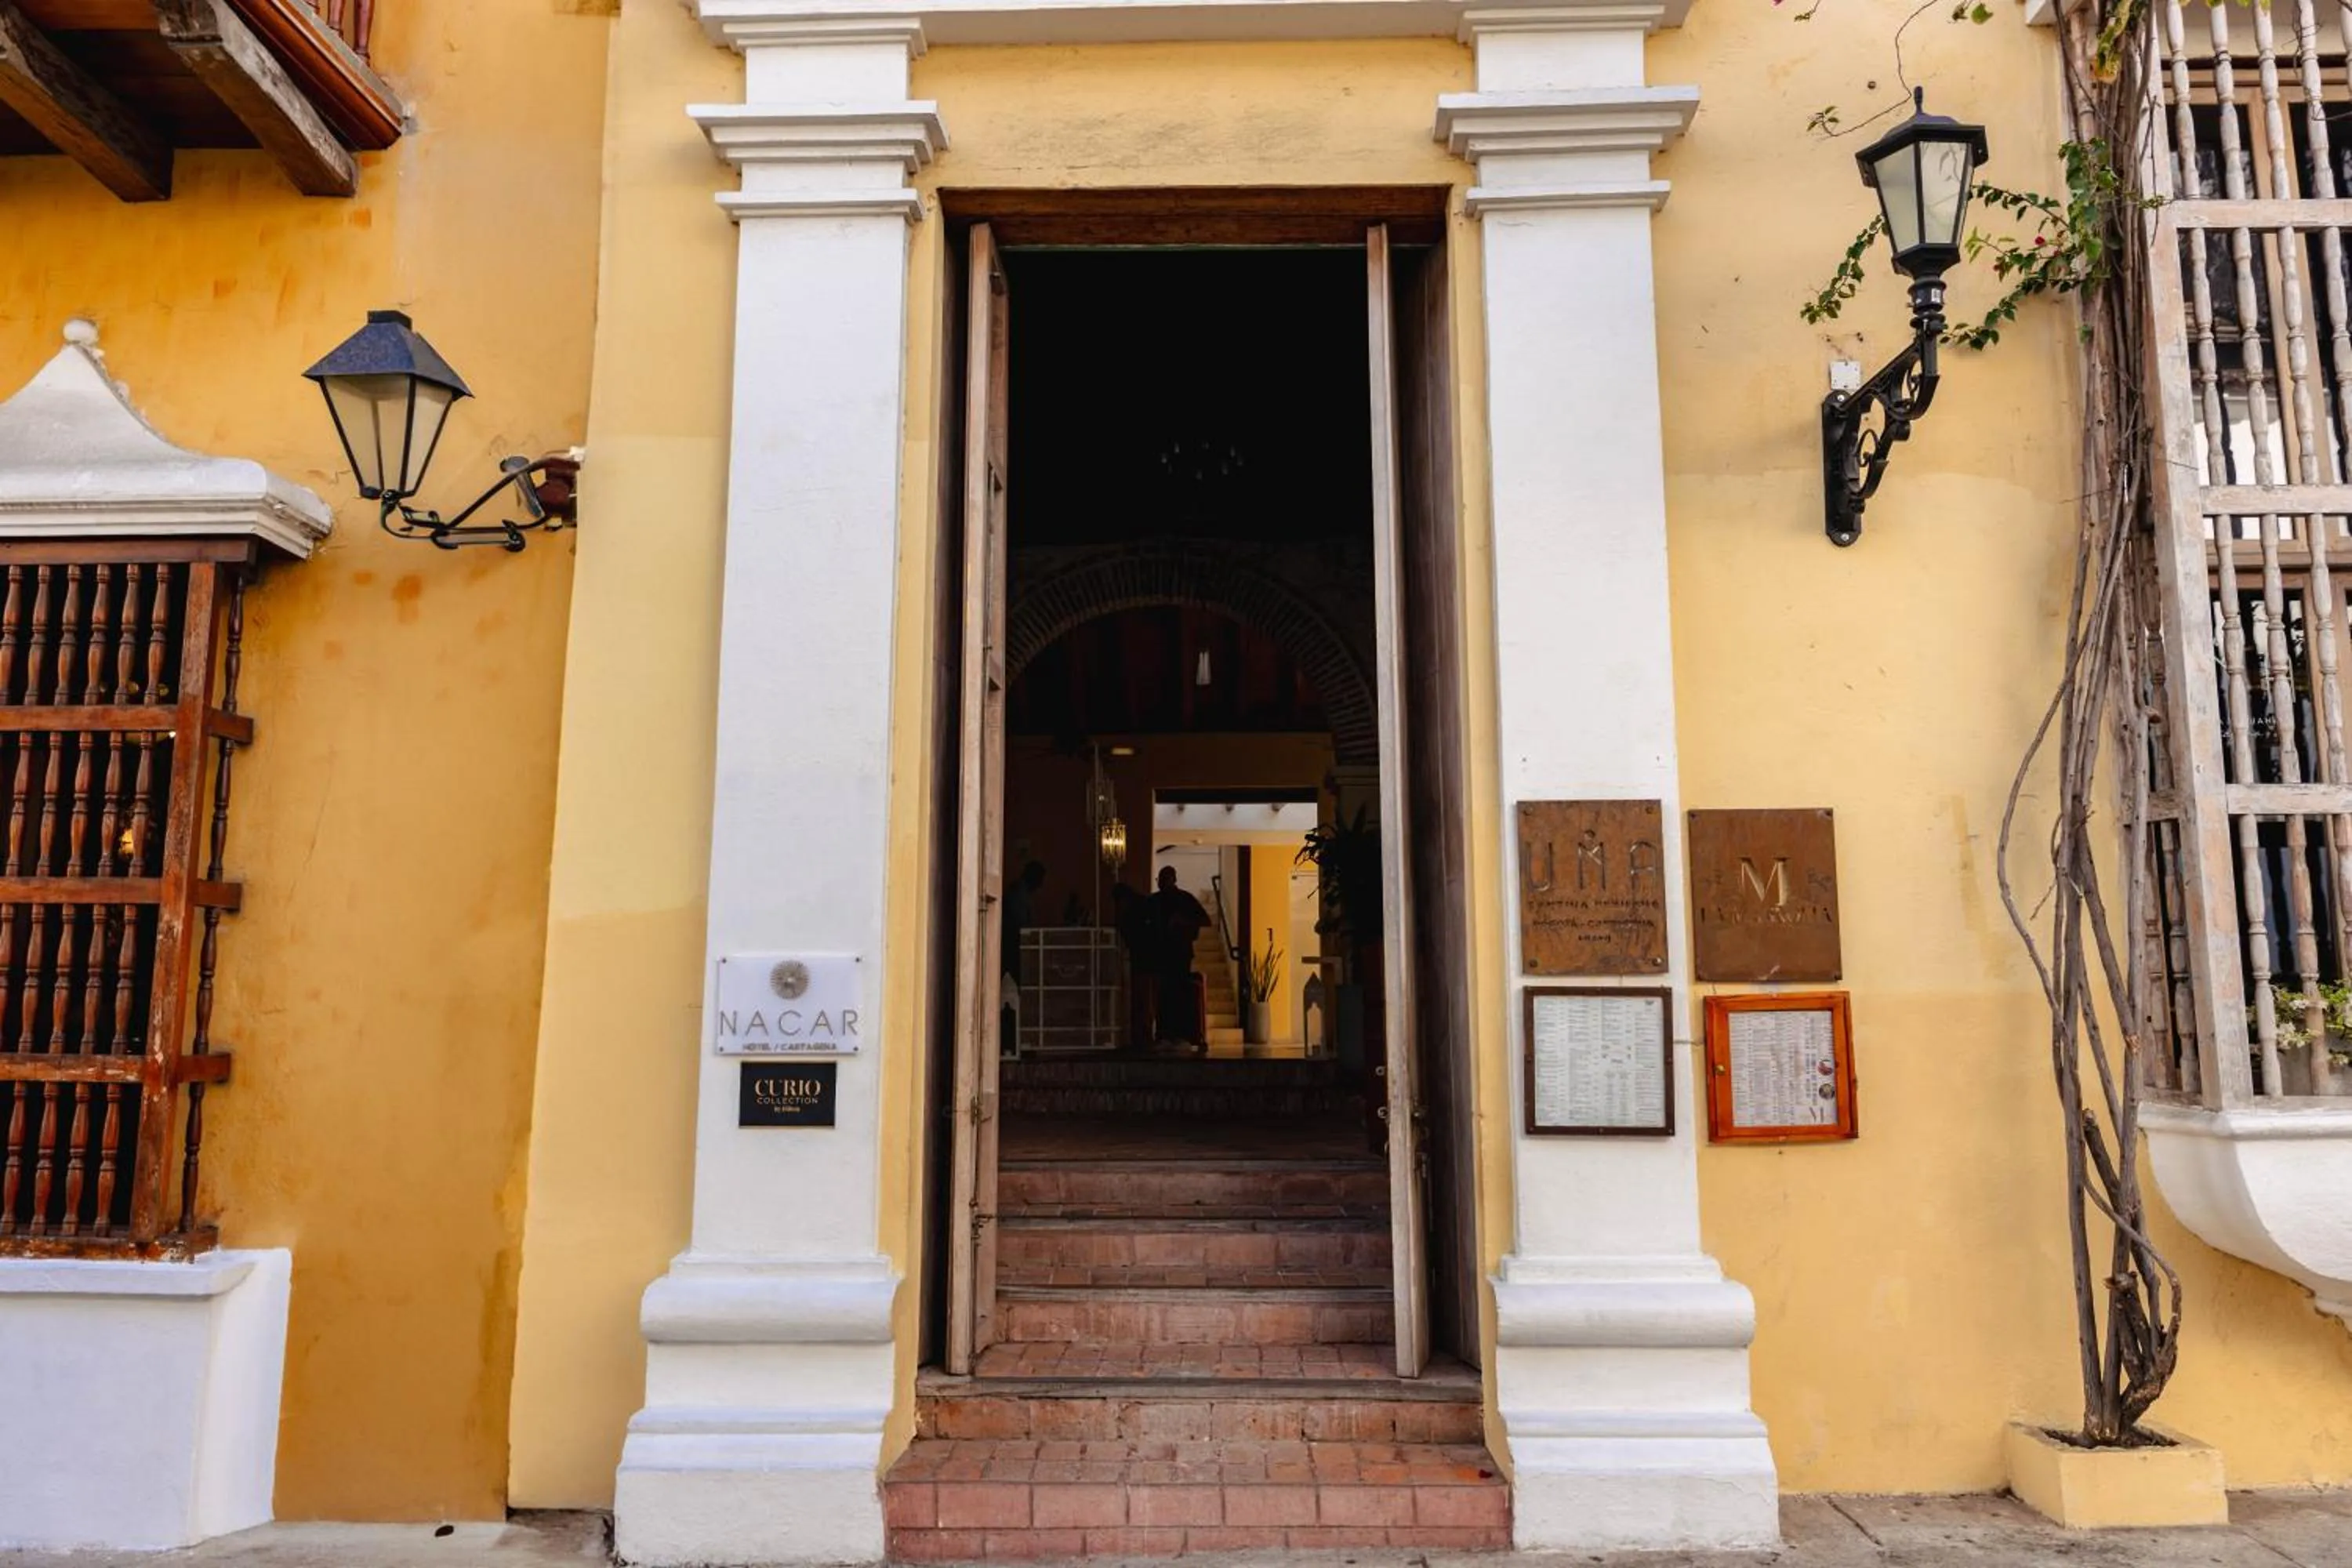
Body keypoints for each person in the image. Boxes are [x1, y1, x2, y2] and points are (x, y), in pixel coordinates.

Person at [1147, 865, 1210, 1048]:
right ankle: (1169, 1034)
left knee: (1173, 994)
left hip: (1177, 953)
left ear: (1172, 879)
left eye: (1163, 879)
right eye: (1160, 880)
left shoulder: (1181, 899)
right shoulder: (1160, 901)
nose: (1161, 884)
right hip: (1167, 953)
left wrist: (1182, 922)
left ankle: (1174, 1034)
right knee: (1168, 995)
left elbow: (1204, 920)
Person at [1000, 861, 1044, 1057]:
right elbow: (1021, 927)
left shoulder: (1021, 894)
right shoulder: (1018, 895)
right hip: (1013, 951)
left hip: (1018, 951)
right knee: (1013, 997)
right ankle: (1012, 1041)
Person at [1110, 882, 1158, 1051]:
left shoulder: (1134, 913)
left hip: (1142, 959)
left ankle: (1142, 1035)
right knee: (1143, 999)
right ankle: (1143, 1035)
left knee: (1142, 998)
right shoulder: (1144, 907)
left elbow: (1127, 932)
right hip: (1146, 959)